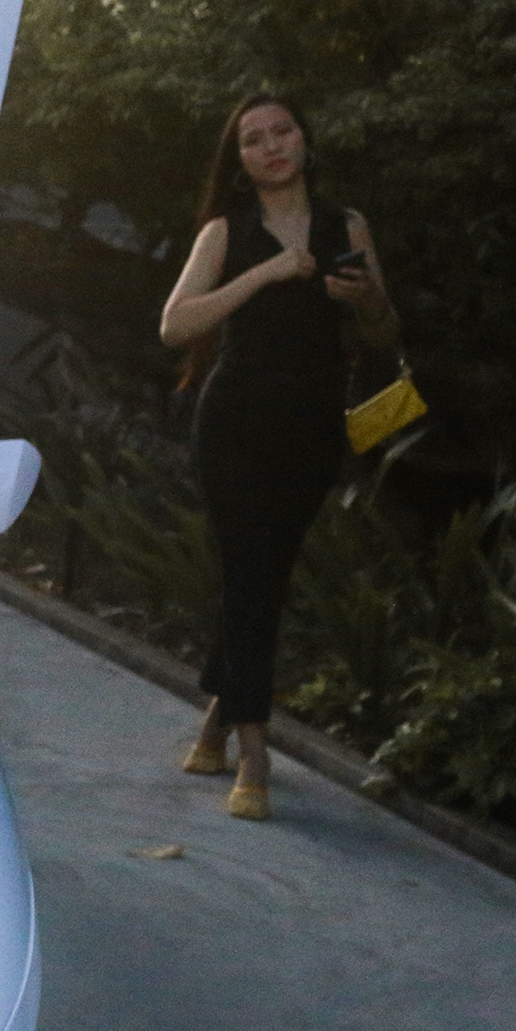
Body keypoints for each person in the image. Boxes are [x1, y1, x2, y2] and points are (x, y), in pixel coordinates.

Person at [160, 93, 397, 820]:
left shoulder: (345, 225)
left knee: (268, 573)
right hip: (234, 420)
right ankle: (255, 754)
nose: (272, 146)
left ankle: (216, 719)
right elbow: (175, 326)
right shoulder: (225, 232)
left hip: (313, 422)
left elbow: (385, 334)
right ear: (240, 162)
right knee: (249, 570)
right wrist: (266, 273)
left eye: (283, 131)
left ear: (305, 139)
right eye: (255, 139)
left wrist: (362, 301)